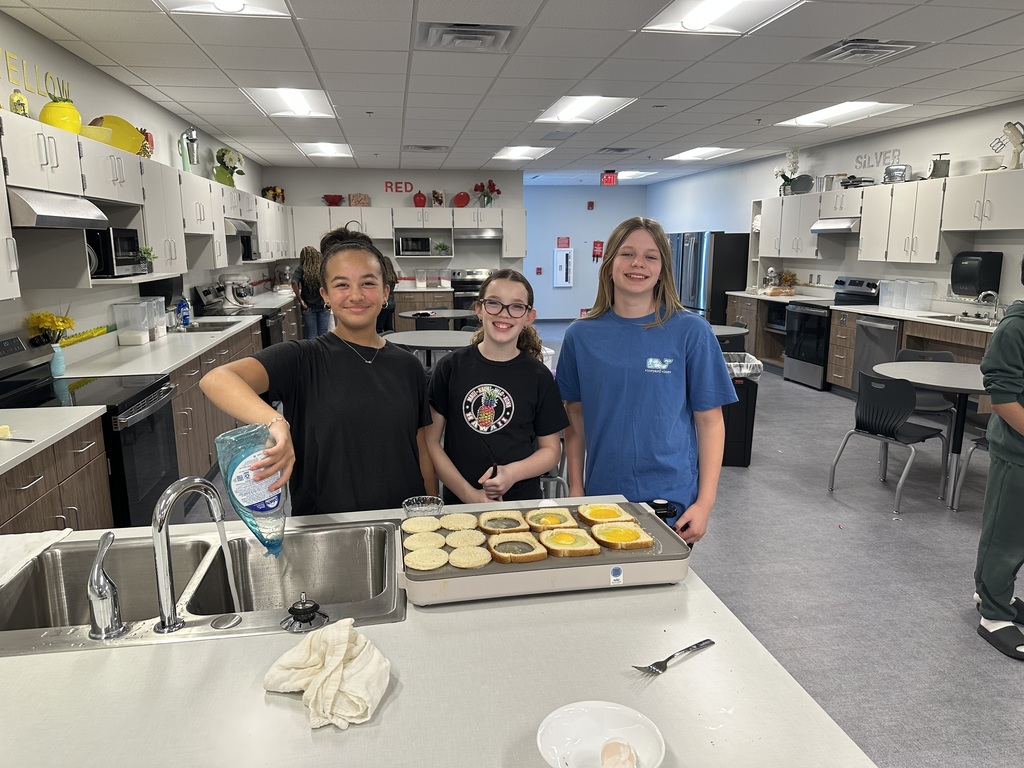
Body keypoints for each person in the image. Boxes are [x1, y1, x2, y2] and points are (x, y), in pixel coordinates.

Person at [200, 227, 435, 515]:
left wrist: (431, 512)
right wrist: (275, 422)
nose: (356, 295)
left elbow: (420, 448)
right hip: (327, 525)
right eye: (342, 285)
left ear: (386, 292)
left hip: (402, 520)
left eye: (368, 283)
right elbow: (216, 379)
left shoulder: (408, 366)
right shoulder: (302, 359)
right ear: (325, 295)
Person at [555, 216, 737, 545]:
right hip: (602, 496)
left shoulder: (691, 332)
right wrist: (576, 488)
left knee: (665, 594)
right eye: (627, 254)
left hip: (672, 502)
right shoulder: (580, 336)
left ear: (662, 268)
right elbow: (574, 417)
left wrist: (705, 503)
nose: (638, 264)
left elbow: (710, 422)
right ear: (609, 263)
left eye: (651, 256)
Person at [426, 269, 568, 504]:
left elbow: (551, 451)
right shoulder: (450, 367)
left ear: (528, 317)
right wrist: (469, 495)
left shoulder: (538, 376)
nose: (504, 314)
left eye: (516, 306)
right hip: (461, 505)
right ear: (479, 309)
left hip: (521, 503)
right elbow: (431, 442)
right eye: (494, 303)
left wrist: (511, 473)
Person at [975, 299, 1024, 660]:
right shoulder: (1014, 329)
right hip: (1016, 453)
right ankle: (992, 613)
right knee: (1004, 535)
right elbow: (1003, 400)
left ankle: (996, 592)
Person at [291, 245, 331, 338]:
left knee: (312, 335)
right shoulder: (322, 268)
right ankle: (323, 352)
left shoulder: (301, 269)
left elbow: (293, 282)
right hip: (324, 305)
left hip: (308, 307)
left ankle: (313, 353)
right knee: (324, 335)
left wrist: (300, 300)